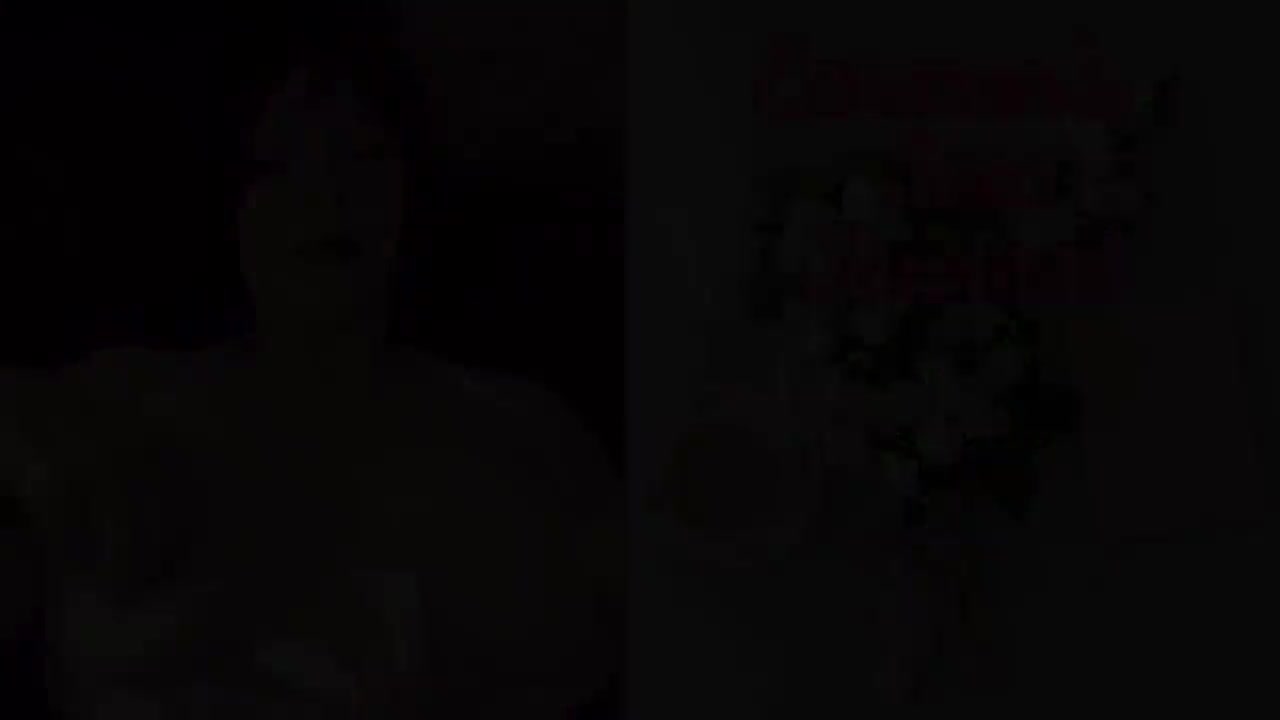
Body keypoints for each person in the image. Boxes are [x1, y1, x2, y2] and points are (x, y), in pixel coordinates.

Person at [3, 7, 621, 718]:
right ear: (230, 202)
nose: (327, 195)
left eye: (362, 156)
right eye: (278, 165)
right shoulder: (117, 406)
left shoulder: (526, 438)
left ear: (410, 189)